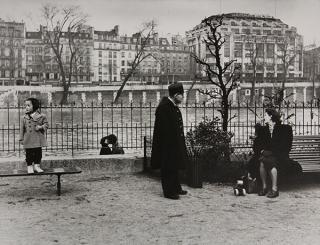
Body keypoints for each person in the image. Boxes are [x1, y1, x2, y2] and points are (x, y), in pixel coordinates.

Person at [151, 83, 188, 200]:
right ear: (176, 95)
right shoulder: (164, 107)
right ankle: (169, 191)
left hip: (173, 143)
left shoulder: (171, 106)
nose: (183, 97)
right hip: (167, 144)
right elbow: (164, 130)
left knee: (174, 166)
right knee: (168, 167)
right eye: (182, 95)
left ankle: (176, 187)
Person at [259, 108, 301, 198]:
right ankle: (264, 187)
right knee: (263, 161)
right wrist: (262, 151)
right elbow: (257, 145)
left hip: (280, 155)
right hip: (266, 155)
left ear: (271, 116)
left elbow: (286, 146)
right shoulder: (263, 130)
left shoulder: (285, 129)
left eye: (265, 115)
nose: (263, 117)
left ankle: (274, 189)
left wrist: (270, 152)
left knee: (268, 162)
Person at [19, 98, 49, 174]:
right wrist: (21, 139)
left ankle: (37, 166)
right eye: (25, 105)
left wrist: (40, 127)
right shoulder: (23, 117)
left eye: (28, 105)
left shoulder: (42, 116)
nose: (26, 107)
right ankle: (29, 166)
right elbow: (21, 129)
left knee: (38, 153)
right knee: (28, 154)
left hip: (38, 138)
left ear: (34, 106)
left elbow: (46, 125)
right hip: (28, 139)